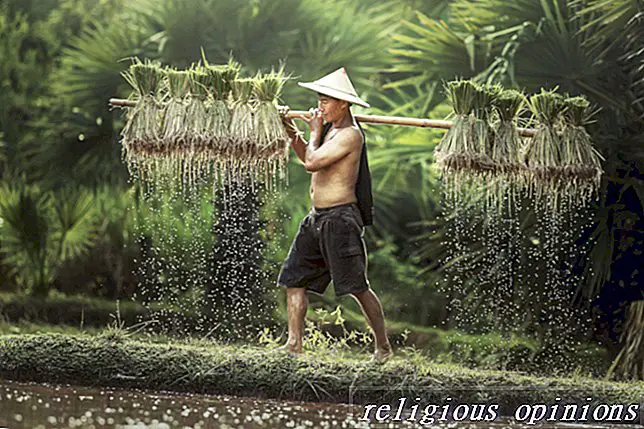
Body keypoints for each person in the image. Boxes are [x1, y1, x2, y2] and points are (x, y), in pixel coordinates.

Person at [276, 67, 393, 362]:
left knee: (357, 287)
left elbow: (312, 163)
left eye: (326, 101)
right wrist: (291, 129)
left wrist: (313, 131)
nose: (319, 107)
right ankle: (293, 345)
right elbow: (306, 154)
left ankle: (383, 347)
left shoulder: (350, 135)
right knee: (294, 278)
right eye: (318, 100)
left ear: (343, 104)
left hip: (340, 220)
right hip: (316, 218)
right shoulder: (330, 132)